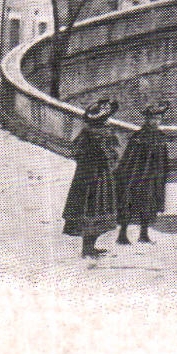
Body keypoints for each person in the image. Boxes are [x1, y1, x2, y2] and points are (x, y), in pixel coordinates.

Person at [62, 98, 120, 259]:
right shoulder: (88, 133)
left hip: (101, 175)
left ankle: (90, 247)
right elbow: (75, 151)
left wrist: (109, 159)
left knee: (98, 207)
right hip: (90, 175)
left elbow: (114, 152)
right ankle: (87, 248)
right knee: (90, 207)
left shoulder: (107, 131)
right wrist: (93, 157)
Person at [115, 101, 172, 245]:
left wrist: (164, 174)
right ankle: (122, 235)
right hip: (136, 176)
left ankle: (144, 234)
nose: (156, 121)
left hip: (153, 177)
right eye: (153, 118)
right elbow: (129, 157)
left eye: (159, 119)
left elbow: (164, 159)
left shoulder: (161, 137)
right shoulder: (139, 136)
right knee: (129, 203)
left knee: (149, 205)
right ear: (147, 119)